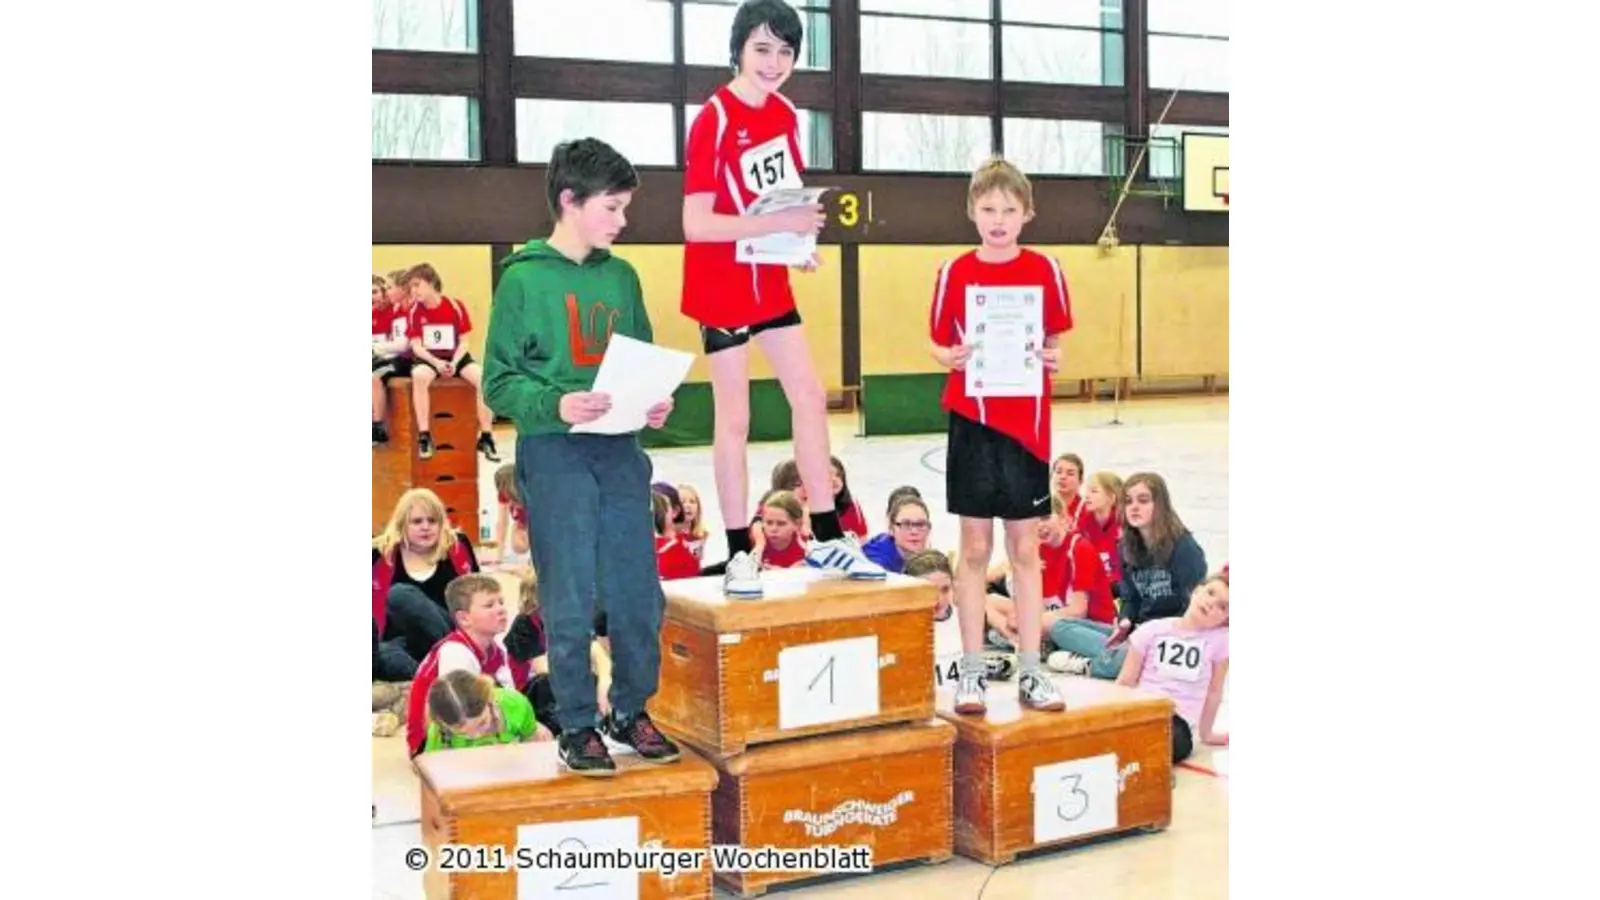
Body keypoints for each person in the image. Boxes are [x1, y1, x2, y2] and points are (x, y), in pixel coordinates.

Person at [482, 137, 680, 776]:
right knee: (568, 594)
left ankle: (631, 709)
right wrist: (555, 404)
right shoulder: (522, 279)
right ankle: (576, 722)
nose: (623, 222)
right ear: (570, 201)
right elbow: (498, 381)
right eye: (612, 208)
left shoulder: (622, 276)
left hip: (621, 451)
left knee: (637, 593)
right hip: (556, 454)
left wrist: (654, 402)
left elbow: (642, 357)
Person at [680, 0, 881, 596]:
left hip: (769, 279)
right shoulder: (713, 119)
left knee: (810, 395)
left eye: (786, 52)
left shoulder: (788, 114)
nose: (774, 62)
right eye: (762, 49)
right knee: (735, 418)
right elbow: (697, 222)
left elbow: (780, 200)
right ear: (739, 48)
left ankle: (826, 534)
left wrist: (798, 244)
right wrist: (774, 226)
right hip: (719, 285)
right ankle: (740, 549)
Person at [929, 156, 1074, 716]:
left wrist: (1054, 357)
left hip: (1027, 429)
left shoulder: (1046, 270)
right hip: (972, 423)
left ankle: (1033, 672)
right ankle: (971, 673)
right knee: (973, 549)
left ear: (1026, 214)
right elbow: (939, 343)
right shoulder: (954, 272)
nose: (998, 219)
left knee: (1024, 549)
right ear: (972, 211)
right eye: (988, 209)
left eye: (1008, 210)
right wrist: (949, 356)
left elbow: (1056, 339)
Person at [1048, 472, 1208, 679]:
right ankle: (1125, 659)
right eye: (1128, 501)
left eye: (1143, 501)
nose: (1134, 507)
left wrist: (1160, 634)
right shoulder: (1126, 547)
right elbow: (1130, 598)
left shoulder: (1184, 547)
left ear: (1160, 505)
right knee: (1060, 627)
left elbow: (1193, 601)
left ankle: (1090, 665)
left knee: (1133, 656)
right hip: (1136, 633)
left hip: (1169, 638)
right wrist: (1124, 621)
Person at [1115, 573, 1229, 762]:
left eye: (1222, 607)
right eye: (1210, 593)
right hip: (1140, 711)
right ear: (1196, 591)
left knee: (1169, 740)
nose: (1211, 604)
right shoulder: (1151, 629)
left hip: (1177, 721)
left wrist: (1206, 733)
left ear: (1225, 620)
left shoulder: (1220, 641)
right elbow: (1125, 681)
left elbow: (1214, 691)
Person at [402, 574, 516, 758]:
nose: (501, 609)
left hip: (473, 724)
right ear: (464, 619)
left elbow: (512, 697)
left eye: (501, 602)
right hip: (435, 741)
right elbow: (454, 711)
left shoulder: (498, 649)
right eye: (489, 605)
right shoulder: (455, 651)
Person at [372, 488, 480, 681]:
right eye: (417, 521)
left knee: (400, 596)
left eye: (432, 521)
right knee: (385, 654)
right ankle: (431, 684)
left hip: (449, 639)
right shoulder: (379, 553)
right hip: (401, 645)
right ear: (401, 524)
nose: (426, 527)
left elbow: (480, 594)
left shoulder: (457, 547)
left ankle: (446, 672)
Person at [403, 262, 501, 462]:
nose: (413, 291)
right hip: (430, 358)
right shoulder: (414, 311)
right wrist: (436, 362)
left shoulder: (455, 306)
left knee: (483, 377)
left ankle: (486, 436)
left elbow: (464, 341)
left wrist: (455, 363)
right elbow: (416, 346)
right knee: (419, 375)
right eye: (410, 287)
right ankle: (424, 436)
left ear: (431, 283)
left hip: (455, 356)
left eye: (417, 284)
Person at [422, 670, 554, 753]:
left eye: (482, 723)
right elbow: (434, 777)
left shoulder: (515, 705)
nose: (477, 735)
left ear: (490, 700)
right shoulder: (440, 732)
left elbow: (531, 745)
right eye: (464, 734)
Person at [372, 274, 412, 445]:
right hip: (390, 356)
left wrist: (375, 349)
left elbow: (401, 345)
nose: (371, 297)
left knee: (374, 374)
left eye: (375, 292)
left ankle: (377, 426)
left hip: (405, 359)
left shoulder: (400, 310)